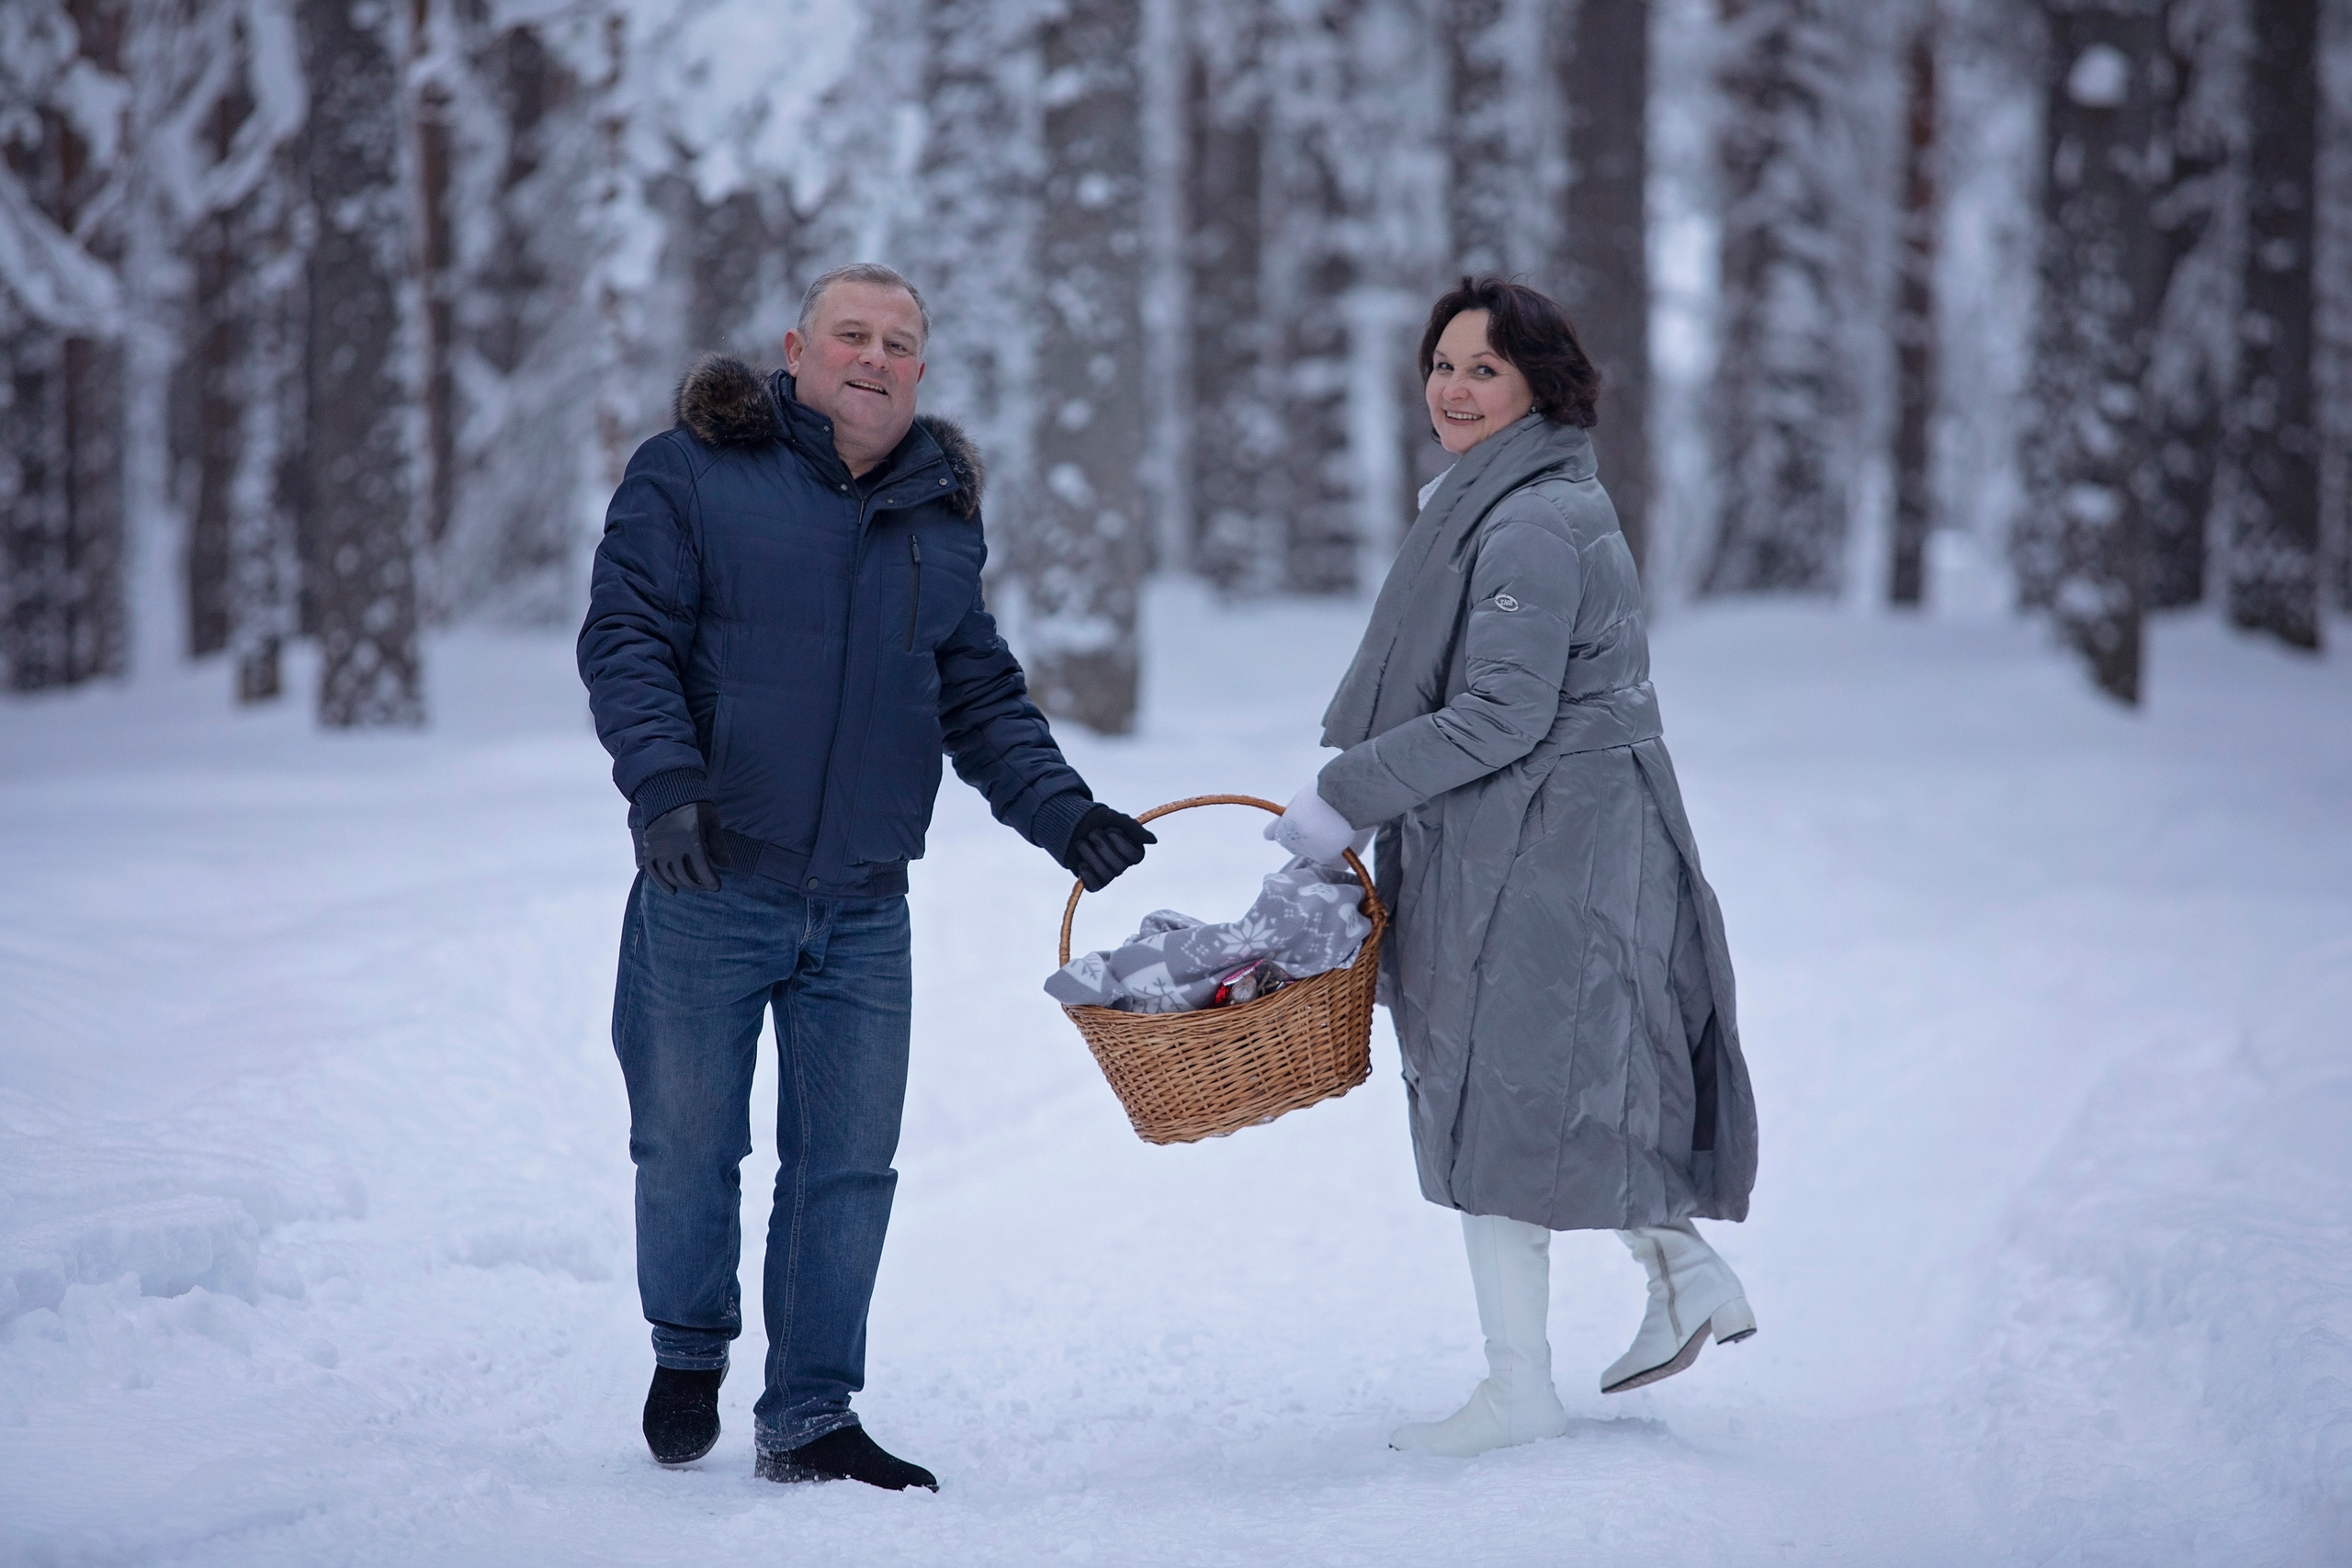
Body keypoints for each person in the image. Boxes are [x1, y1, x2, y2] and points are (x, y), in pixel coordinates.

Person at [577, 263, 1155, 1491]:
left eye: (900, 341)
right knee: (685, 1139)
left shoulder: (937, 513)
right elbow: (625, 634)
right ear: (796, 347)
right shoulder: (690, 472)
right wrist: (667, 786)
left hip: (862, 901)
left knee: (845, 1166)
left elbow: (978, 690)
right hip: (707, 879)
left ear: (920, 370)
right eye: (853, 333)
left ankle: (809, 1414)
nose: (875, 355)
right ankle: (688, 1342)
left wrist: (1067, 814)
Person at [1264, 276, 1760, 1458]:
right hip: (1549, 837)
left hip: (1548, 844)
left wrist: (1344, 794)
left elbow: (1502, 714)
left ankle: (1518, 1385)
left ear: (1540, 383)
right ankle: (1686, 1275)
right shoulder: (1519, 500)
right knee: (1546, 1087)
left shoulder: (1529, 518)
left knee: (1498, 1097)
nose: (1451, 388)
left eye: (1483, 368)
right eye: (1442, 363)